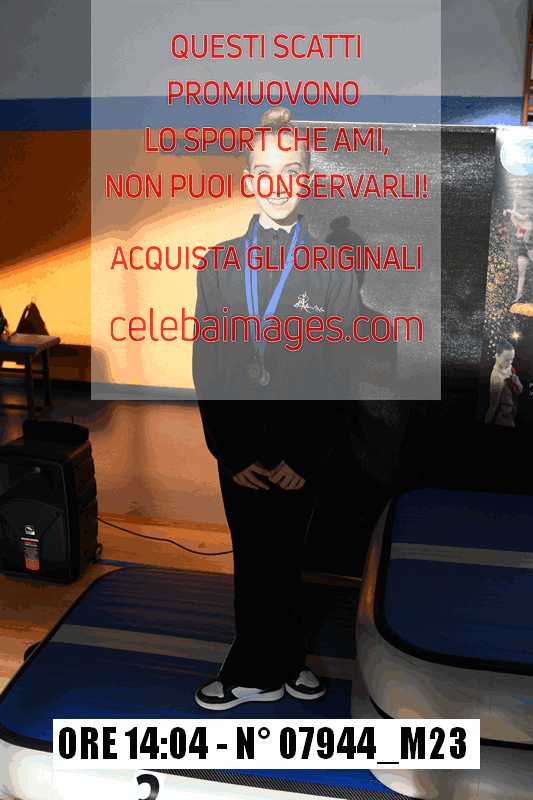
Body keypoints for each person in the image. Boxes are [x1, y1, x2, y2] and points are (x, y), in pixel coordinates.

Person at [192, 107, 359, 710]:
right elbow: (207, 364)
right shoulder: (217, 264)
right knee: (252, 553)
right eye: (265, 170)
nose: (278, 183)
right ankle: (253, 666)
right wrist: (231, 453)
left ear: (307, 176)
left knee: (289, 555)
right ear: (248, 178)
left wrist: (308, 457)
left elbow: (340, 370)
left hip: (300, 447)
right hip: (241, 444)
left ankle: (287, 659)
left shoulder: (334, 270)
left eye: (292, 169)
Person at [484, 339, 523, 427]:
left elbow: (519, 391)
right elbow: (493, 406)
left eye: (512, 359)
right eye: (506, 360)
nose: (510, 363)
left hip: (513, 413)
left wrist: (516, 381)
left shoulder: (509, 367)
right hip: (503, 419)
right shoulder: (497, 377)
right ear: (497, 356)